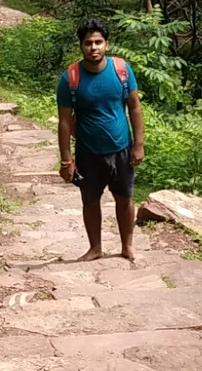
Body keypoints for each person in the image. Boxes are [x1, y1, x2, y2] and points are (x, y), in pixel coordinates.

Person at [56, 19, 145, 262]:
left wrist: (139, 144)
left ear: (106, 44)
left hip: (121, 149)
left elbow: (134, 107)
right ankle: (95, 247)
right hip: (88, 151)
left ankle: (127, 246)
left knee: (125, 198)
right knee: (90, 200)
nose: (93, 47)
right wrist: (66, 160)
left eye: (98, 42)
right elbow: (64, 121)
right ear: (81, 46)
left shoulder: (122, 71)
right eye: (88, 43)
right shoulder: (70, 78)